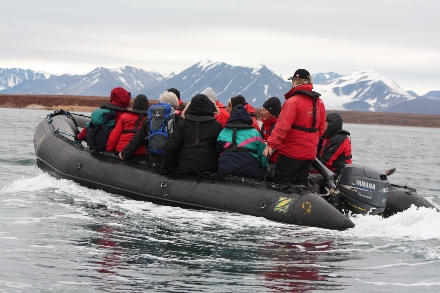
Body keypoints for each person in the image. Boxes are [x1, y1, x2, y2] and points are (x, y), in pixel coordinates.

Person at [263, 69, 326, 188]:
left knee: (282, 184)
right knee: (301, 184)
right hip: (309, 154)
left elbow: (282, 126)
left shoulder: (293, 101)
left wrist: (271, 144)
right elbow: (321, 130)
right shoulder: (319, 102)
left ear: (296, 80)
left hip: (291, 152)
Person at [162, 94, 223, 172]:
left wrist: (165, 164)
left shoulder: (182, 124)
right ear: (210, 107)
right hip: (209, 168)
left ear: (190, 107)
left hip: (185, 167)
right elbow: (220, 148)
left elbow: (171, 146)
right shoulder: (217, 126)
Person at [119, 90, 181, 162]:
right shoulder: (178, 119)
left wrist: (124, 154)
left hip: (153, 158)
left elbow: (139, 137)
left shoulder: (151, 117)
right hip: (171, 160)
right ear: (176, 104)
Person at [217, 104, 268, 179]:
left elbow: (218, 152)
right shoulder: (255, 133)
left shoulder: (223, 132)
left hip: (225, 170)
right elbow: (263, 155)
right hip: (250, 172)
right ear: (246, 118)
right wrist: (266, 167)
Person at [260, 97, 282, 164]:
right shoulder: (265, 125)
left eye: (264, 110)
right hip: (266, 159)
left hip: (276, 161)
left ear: (272, 112)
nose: (261, 112)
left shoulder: (278, 126)